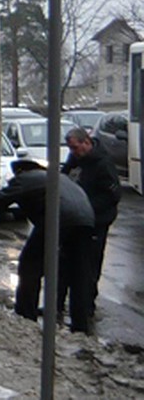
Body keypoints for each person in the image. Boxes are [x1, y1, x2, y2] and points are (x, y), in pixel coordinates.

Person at [0, 159, 96, 333]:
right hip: (86, 220)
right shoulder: (57, 177)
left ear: (20, 171)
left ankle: (25, 315)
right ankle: (81, 325)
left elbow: (0, 201)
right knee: (78, 273)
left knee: (30, 266)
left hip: (57, 219)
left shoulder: (26, 178)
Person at [63, 126, 122, 304]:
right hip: (75, 219)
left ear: (87, 142)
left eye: (75, 147)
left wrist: (87, 207)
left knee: (90, 263)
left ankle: (87, 303)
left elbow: (112, 195)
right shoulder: (75, 160)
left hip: (96, 220)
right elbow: (64, 178)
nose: (73, 152)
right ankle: (61, 302)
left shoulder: (102, 164)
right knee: (68, 261)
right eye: (71, 148)